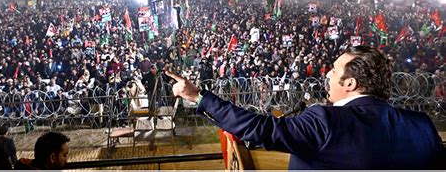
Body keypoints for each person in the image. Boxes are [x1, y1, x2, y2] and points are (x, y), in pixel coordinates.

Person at [169, 45, 445, 169]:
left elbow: (259, 128)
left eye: (334, 71)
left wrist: (198, 96)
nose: (326, 75)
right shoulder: (421, 124)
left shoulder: (326, 120)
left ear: (350, 84)